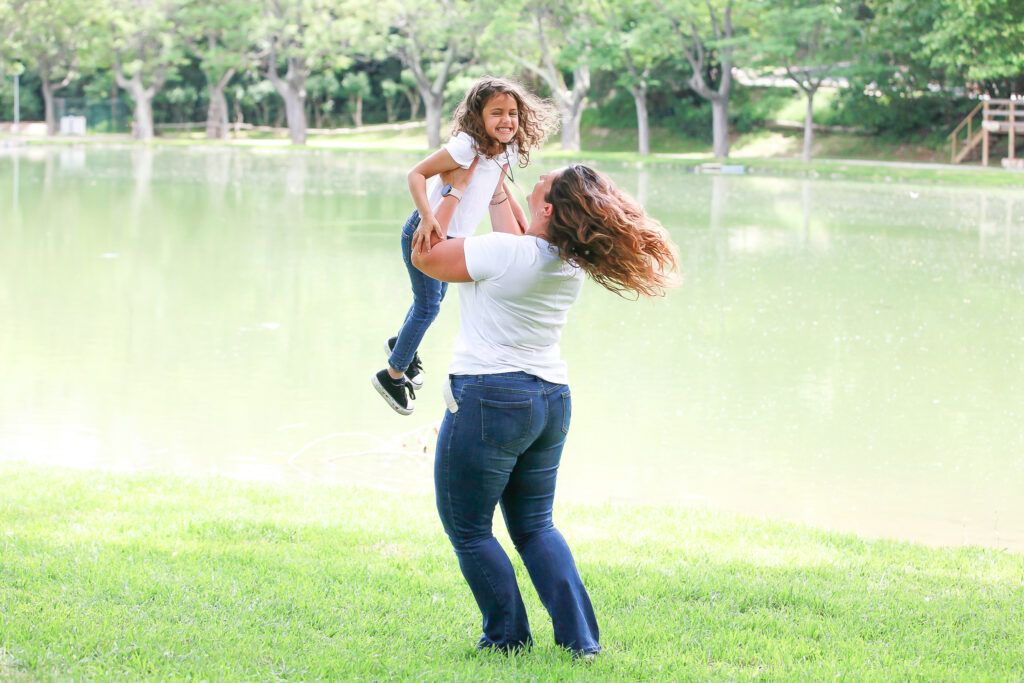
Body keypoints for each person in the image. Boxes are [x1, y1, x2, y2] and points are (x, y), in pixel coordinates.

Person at [411, 163, 679, 657]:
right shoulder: (569, 261)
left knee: (468, 529)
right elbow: (518, 242)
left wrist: (453, 188)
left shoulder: (506, 254)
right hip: (549, 400)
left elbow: (426, 257)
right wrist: (493, 183)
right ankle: (581, 642)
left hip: (491, 398)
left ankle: (507, 638)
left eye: (543, 181)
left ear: (549, 207)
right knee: (536, 526)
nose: (534, 180)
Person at [371, 76, 558, 415]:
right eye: (496, 112)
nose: (507, 121)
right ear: (478, 116)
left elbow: (497, 192)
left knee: (432, 302)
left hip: (455, 239)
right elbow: (416, 174)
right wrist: (427, 217)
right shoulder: (465, 147)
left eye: (513, 113)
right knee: (429, 307)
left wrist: (527, 230)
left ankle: (401, 344)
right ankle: (392, 374)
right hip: (427, 232)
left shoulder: (507, 149)